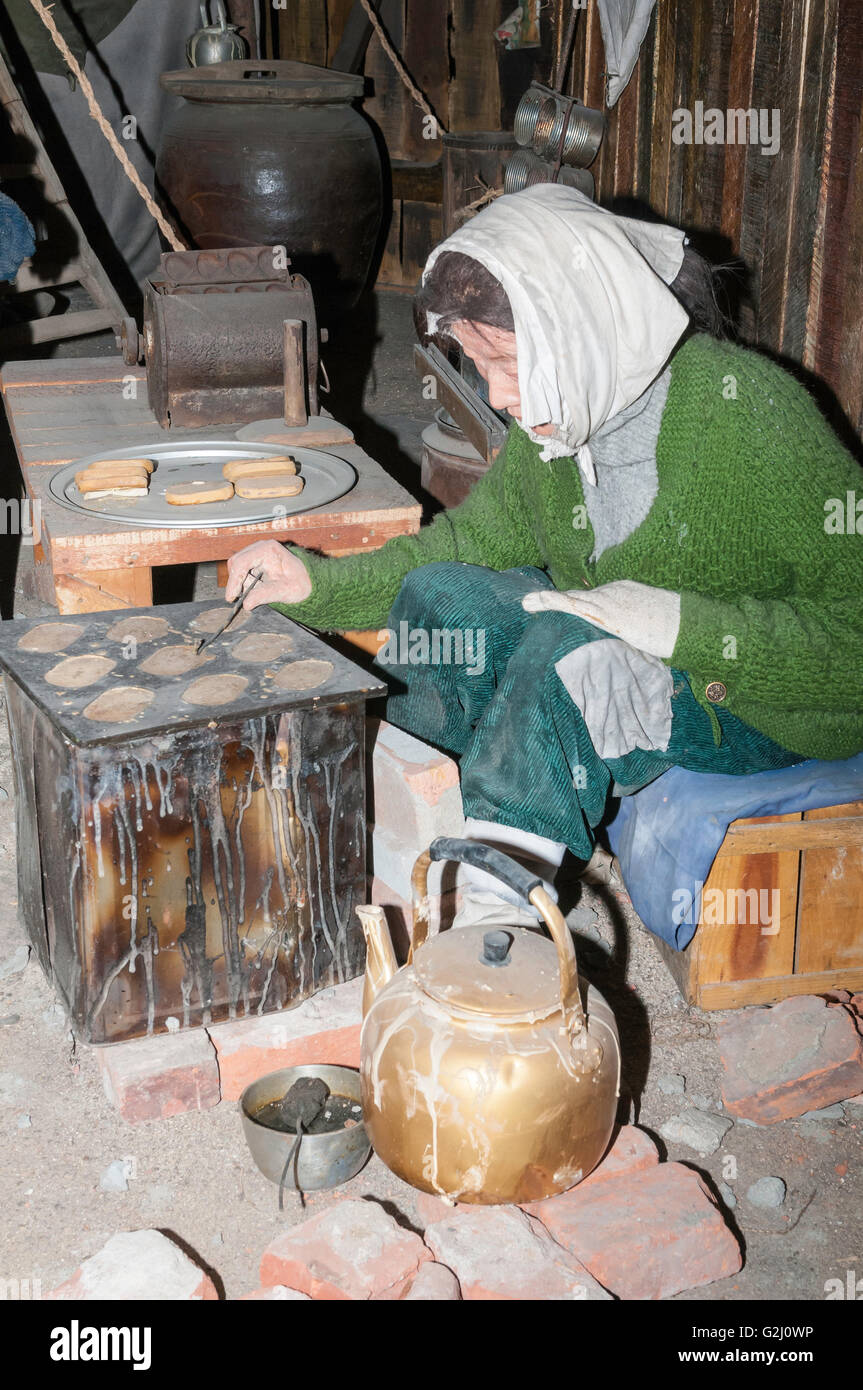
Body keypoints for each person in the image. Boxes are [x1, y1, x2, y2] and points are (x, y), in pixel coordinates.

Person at [226, 184, 863, 929]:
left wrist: (680, 626)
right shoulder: (561, 422)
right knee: (442, 596)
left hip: (759, 702)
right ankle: (404, 841)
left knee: (567, 654)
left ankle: (490, 930)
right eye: (477, 365)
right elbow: (467, 544)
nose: (499, 397)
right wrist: (314, 582)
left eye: (508, 363)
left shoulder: (751, 416)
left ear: (584, 331)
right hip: (630, 643)